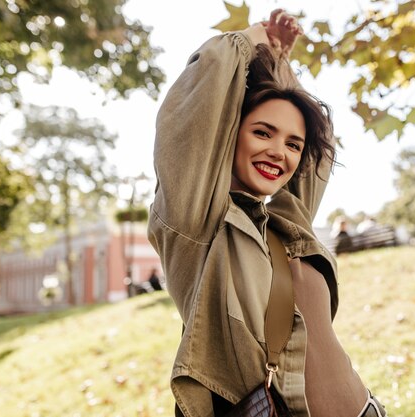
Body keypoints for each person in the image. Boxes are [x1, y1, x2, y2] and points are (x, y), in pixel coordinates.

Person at [148, 9, 387, 417]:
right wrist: (251, 38)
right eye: (262, 132)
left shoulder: (286, 222)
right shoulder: (196, 224)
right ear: (230, 135)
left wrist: (278, 64)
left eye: (292, 144)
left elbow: (319, 148)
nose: (279, 151)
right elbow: (191, 118)